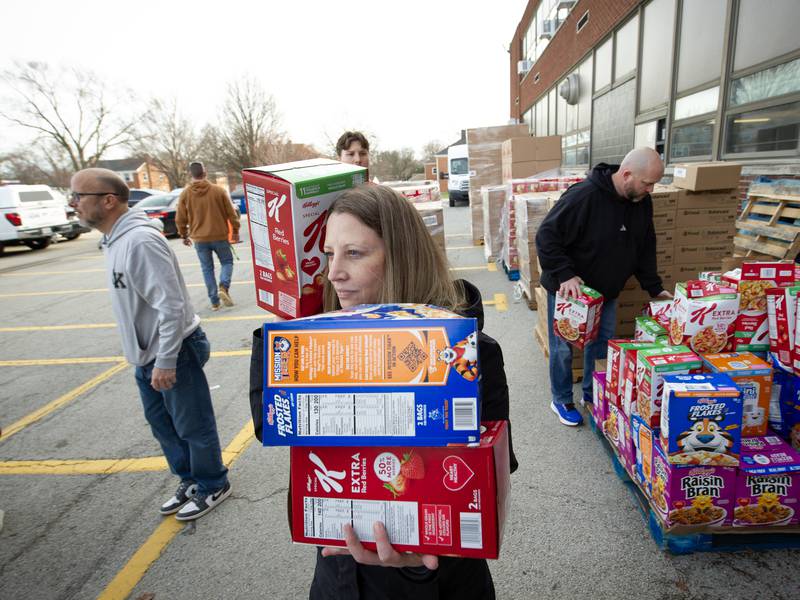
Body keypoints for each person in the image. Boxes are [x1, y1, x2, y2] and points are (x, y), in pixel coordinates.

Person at [308, 184, 517, 600]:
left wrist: (426, 555)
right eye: (330, 254)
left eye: (354, 253)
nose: (334, 273)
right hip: (340, 579)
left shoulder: (469, 355)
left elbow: (491, 477)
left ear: (401, 257)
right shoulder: (323, 348)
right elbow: (273, 427)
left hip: (437, 582)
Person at [69, 168, 231, 521]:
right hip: (148, 357)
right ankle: (190, 479)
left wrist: (166, 360)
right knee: (164, 426)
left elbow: (170, 305)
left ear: (108, 200)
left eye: (79, 196)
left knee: (192, 425)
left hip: (172, 352)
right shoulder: (115, 240)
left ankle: (213, 483)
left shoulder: (139, 241)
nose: (73, 203)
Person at [535, 147, 671, 427]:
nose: (651, 190)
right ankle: (561, 398)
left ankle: (592, 394)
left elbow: (645, 245)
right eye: (647, 183)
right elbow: (546, 235)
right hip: (571, 292)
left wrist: (654, 287)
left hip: (606, 292)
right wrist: (564, 274)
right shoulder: (584, 196)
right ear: (627, 174)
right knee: (563, 348)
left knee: (600, 347)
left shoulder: (641, 201)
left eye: (654, 184)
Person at [175, 161, 240, 311]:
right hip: (220, 235)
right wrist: (235, 230)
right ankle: (223, 286)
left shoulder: (185, 193)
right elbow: (231, 213)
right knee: (227, 262)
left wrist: (183, 234)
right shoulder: (218, 191)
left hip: (200, 238)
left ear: (191, 174)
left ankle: (215, 302)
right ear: (205, 173)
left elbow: (180, 217)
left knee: (207, 269)